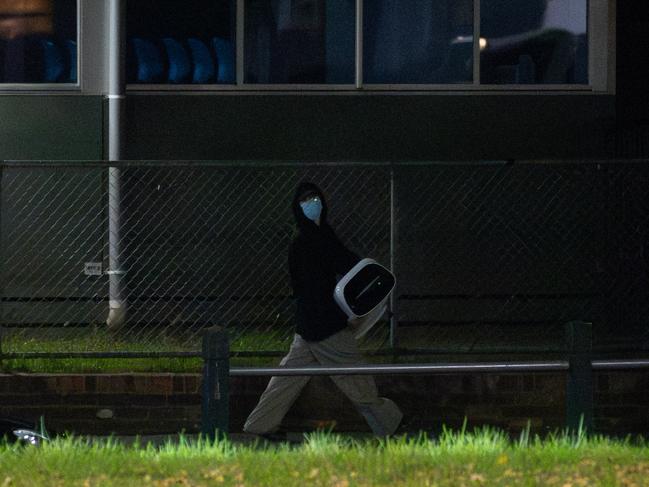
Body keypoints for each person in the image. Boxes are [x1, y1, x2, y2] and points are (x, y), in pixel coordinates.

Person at [243, 181, 402, 438]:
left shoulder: (321, 235)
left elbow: (345, 260)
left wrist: (371, 275)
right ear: (298, 207)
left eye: (315, 197)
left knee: (286, 379)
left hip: (310, 324)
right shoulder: (304, 242)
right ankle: (389, 424)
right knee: (355, 377)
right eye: (307, 199)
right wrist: (344, 315)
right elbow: (314, 286)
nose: (313, 203)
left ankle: (258, 425)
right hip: (324, 325)